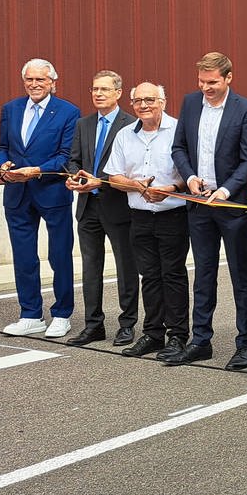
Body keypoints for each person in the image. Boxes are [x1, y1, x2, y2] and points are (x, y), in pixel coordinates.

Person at [169, 51, 247, 369]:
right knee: (203, 274)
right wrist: (190, 177)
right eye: (201, 81)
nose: (205, 87)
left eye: (212, 82)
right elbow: (178, 147)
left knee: (241, 274)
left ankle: (245, 343)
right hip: (199, 204)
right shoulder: (190, 103)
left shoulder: (245, 109)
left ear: (228, 78)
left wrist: (226, 190)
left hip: (231, 205)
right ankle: (200, 340)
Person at [103, 83, 191, 362]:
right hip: (139, 215)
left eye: (150, 99)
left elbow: (188, 174)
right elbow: (113, 177)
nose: (143, 105)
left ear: (163, 101)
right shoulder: (124, 135)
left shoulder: (179, 130)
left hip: (172, 214)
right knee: (150, 277)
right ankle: (153, 333)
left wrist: (170, 189)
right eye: (138, 100)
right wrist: (135, 185)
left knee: (173, 275)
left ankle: (177, 335)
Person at [0, 58, 81, 338]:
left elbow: (65, 156)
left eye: (40, 80)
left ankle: (62, 313)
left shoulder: (68, 112)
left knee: (59, 255)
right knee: (24, 258)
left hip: (51, 193)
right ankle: (30, 314)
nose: (34, 85)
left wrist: (37, 171)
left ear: (52, 83)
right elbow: (2, 148)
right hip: (17, 194)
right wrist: (3, 166)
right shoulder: (11, 109)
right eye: (29, 80)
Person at [63, 70, 139, 346]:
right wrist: (73, 176)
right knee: (90, 268)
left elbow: (131, 167)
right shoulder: (83, 124)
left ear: (118, 93)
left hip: (118, 206)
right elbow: (73, 159)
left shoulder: (131, 125)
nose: (98, 94)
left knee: (125, 267)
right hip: (87, 207)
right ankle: (93, 325)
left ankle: (127, 324)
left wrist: (102, 181)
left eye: (104, 89)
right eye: (94, 89)